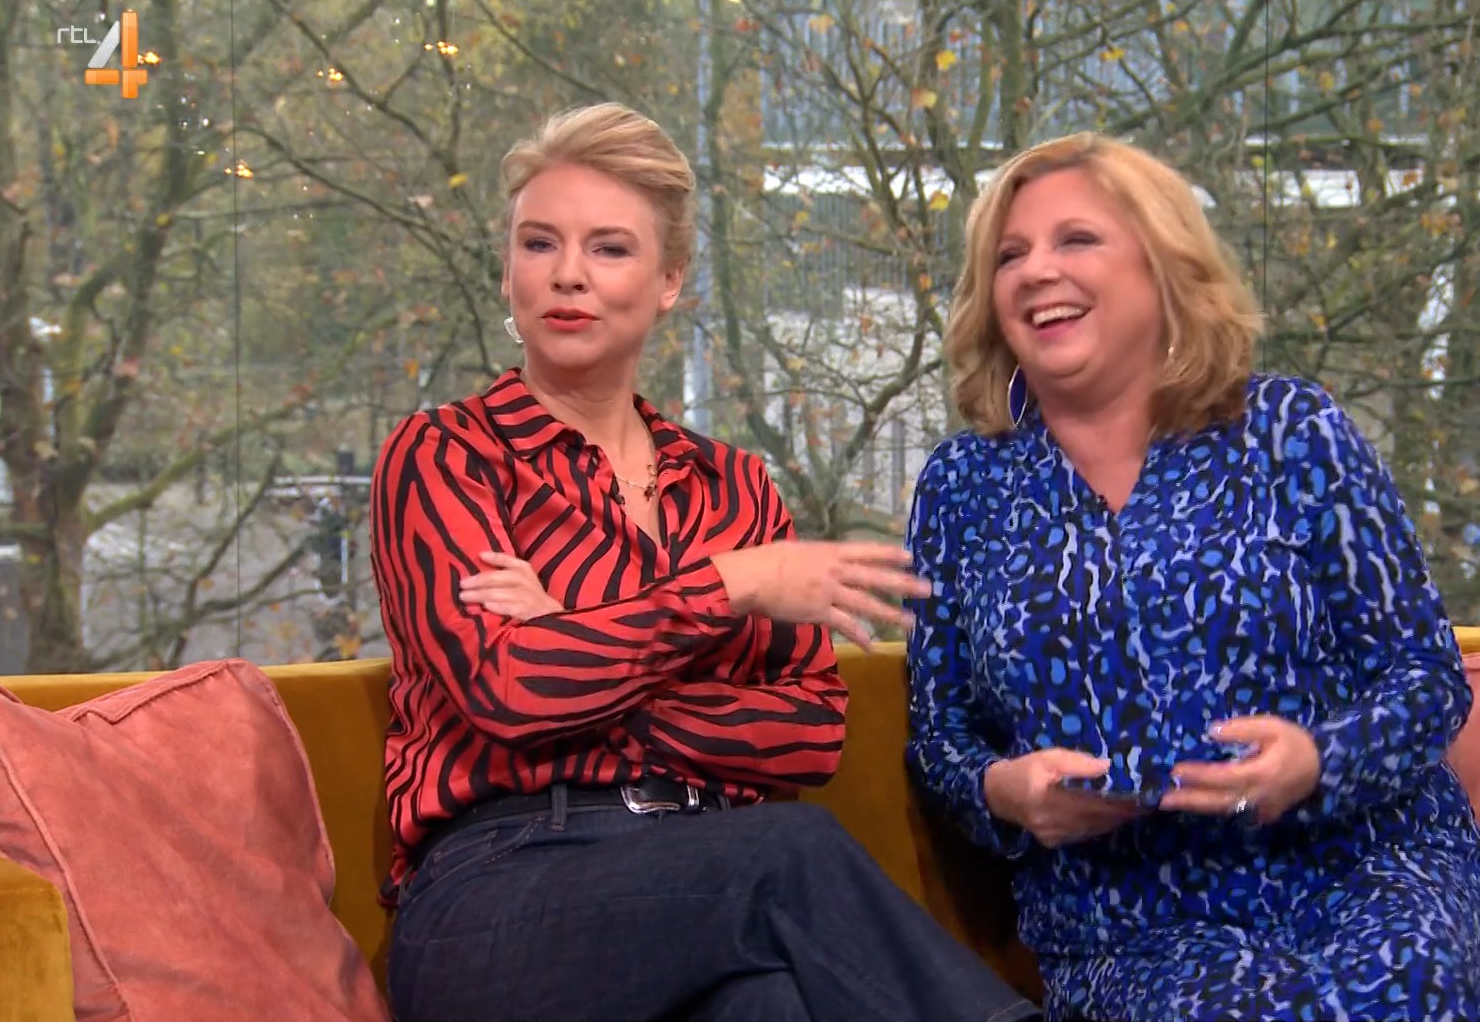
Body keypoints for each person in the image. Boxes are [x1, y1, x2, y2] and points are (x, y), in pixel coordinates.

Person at [370, 102, 1040, 1022]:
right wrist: (732, 585)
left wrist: (574, 640)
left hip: (702, 876)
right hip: (500, 891)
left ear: (669, 279)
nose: (567, 274)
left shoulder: (734, 489)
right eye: (539, 243)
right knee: (789, 850)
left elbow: (809, 730)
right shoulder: (447, 454)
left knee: (768, 1005)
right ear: (509, 267)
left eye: (609, 248)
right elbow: (511, 692)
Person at [903, 132, 1480, 1022]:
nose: (1037, 271)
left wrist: (1317, 761)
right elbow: (938, 735)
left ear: (1164, 266)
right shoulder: (963, 487)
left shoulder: (1292, 431)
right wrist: (1007, 793)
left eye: (1077, 239)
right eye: (1009, 255)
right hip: (1132, 921)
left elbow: (1426, 678)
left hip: (1372, 869)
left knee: (1404, 986)